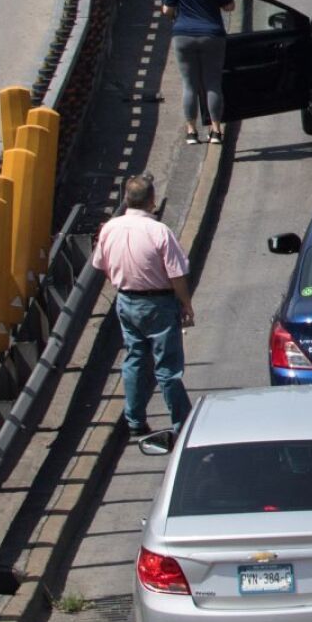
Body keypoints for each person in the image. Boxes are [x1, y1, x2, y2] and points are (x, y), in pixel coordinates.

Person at [91, 174, 195, 435]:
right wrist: (186, 304)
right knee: (168, 367)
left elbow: (101, 264)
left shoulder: (109, 228)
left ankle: (135, 421)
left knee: (135, 359)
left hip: (126, 300)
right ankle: (182, 423)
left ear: (127, 199)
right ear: (152, 200)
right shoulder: (158, 231)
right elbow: (176, 274)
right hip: (158, 303)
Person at [162, 0, 234, 144]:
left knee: (189, 85)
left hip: (183, 36)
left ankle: (191, 132)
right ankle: (216, 131)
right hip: (211, 36)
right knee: (212, 84)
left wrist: (177, 13)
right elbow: (229, 6)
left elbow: (167, 9)